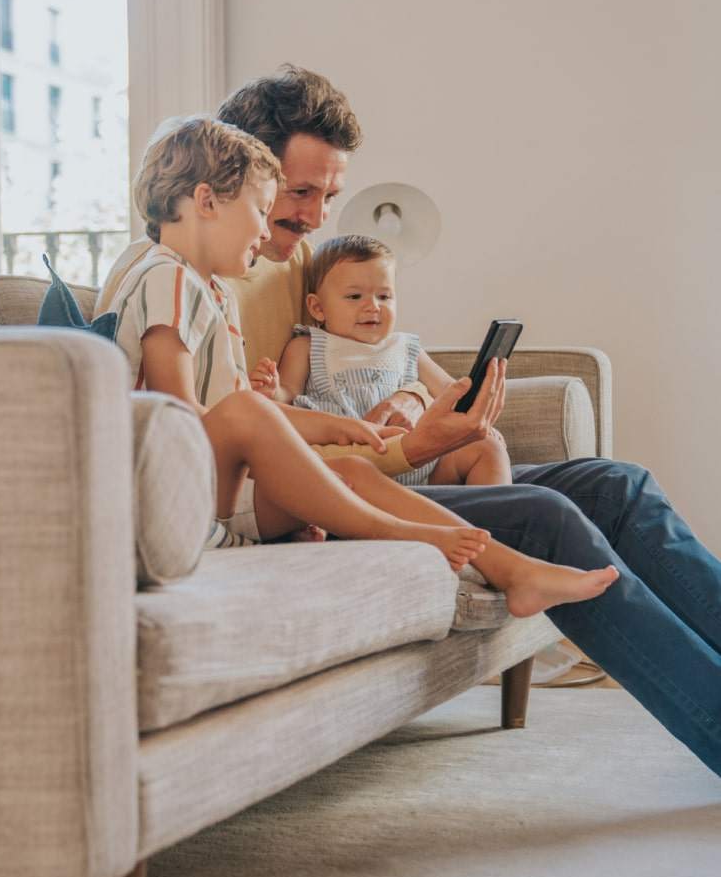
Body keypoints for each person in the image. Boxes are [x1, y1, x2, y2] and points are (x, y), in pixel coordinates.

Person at [97, 66, 721, 779]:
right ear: (234, 178)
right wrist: (404, 453)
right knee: (546, 517)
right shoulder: (186, 273)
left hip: (353, 464)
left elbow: (380, 361)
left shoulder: (295, 262)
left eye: (327, 195)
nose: (313, 216)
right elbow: (240, 431)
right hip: (314, 489)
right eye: (298, 194)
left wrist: (419, 411)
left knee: (618, 485)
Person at [105, 114, 619, 617]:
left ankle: (513, 570)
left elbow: (249, 416)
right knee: (250, 412)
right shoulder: (163, 277)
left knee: (349, 469)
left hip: (211, 485)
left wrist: (344, 429)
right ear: (206, 200)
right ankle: (406, 533)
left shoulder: (213, 292)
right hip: (166, 493)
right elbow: (177, 417)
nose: (266, 231)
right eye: (261, 210)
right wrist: (287, 456)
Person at [250, 234, 512, 490]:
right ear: (318, 308)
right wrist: (272, 390)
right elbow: (287, 395)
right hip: (356, 471)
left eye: (384, 296)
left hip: (423, 466)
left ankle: (491, 522)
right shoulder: (308, 345)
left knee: (487, 448)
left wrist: (481, 415)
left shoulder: (407, 347)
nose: (373, 306)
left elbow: (450, 390)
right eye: (355, 297)